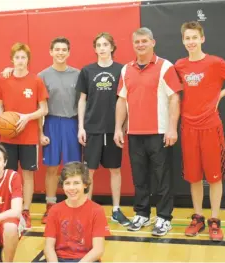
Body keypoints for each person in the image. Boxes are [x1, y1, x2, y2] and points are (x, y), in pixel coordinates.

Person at [114, 27, 182, 236]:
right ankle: (142, 213)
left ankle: (163, 218)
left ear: (153, 42)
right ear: (133, 45)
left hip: (160, 132)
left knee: (162, 178)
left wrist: (172, 128)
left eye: (144, 41)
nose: (141, 45)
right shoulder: (126, 70)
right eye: (137, 42)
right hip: (134, 133)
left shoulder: (165, 67)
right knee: (140, 178)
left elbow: (174, 98)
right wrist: (118, 128)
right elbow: (122, 100)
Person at [175, 21, 225, 241]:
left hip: (210, 127)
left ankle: (215, 220)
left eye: (194, 37)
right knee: (194, 177)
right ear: (183, 40)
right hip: (188, 127)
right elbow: (172, 94)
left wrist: (220, 96)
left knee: (214, 177)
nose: (191, 42)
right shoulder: (179, 65)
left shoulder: (215, 63)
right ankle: (198, 217)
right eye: (187, 38)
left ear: (202, 39)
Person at [76, 32, 130, 226]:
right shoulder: (87, 71)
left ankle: (116, 210)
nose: (102, 48)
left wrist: (123, 126)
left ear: (112, 47)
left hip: (113, 129)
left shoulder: (122, 70)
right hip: (92, 128)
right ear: (95, 48)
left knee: (115, 169)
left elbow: (126, 101)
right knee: (89, 171)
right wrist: (81, 127)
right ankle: (87, 209)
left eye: (105, 44)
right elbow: (82, 100)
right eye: (98, 45)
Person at [0, 42, 49, 229]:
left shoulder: (36, 81)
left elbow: (44, 109)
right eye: (17, 57)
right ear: (12, 60)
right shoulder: (3, 79)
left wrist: (27, 117)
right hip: (8, 136)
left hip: (29, 136)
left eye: (23, 57)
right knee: (8, 175)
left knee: (27, 175)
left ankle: (25, 211)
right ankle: (10, 210)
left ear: (28, 60)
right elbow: (0, 105)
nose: (20, 61)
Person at [36, 37, 82, 224]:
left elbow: (82, 102)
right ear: (51, 52)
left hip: (72, 122)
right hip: (51, 123)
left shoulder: (78, 74)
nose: (61, 53)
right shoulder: (42, 76)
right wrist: (40, 132)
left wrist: (81, 128)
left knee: (73, 168)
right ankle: (50, 205)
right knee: (52, 167)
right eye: (57, 49)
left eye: (64, 50)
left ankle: (75, 204)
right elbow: (39, 106)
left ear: (69, 52)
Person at [44, 161, 109, 262]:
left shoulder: (97, 210)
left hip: (86, 260)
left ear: (85, 184)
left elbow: (98, 249)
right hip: (59, 259)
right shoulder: (55, 210)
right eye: (67, 183)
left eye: (76, 183)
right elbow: (49, 247)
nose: (71, 188)